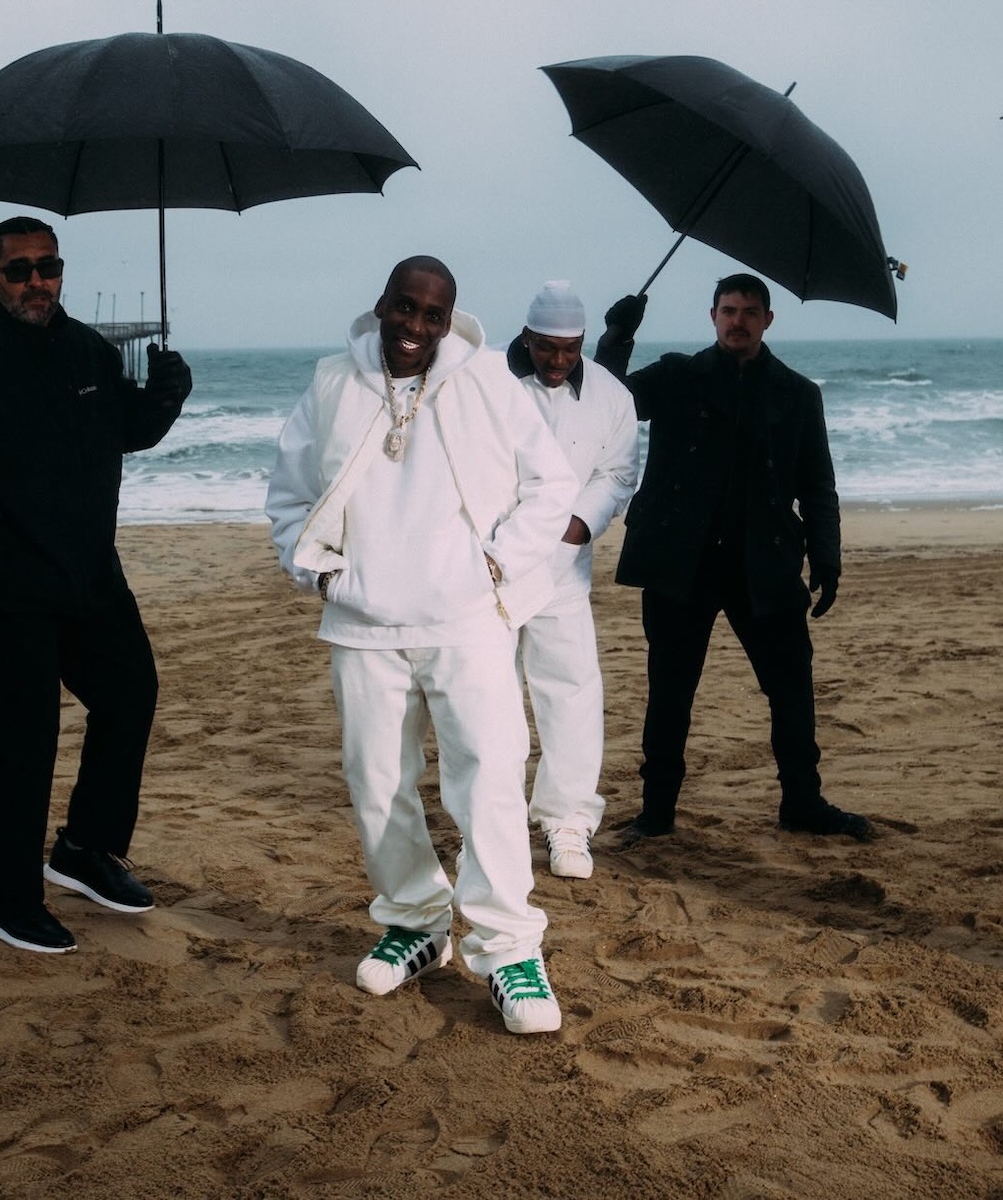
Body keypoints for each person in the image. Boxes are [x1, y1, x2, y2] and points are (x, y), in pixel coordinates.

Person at [266, 256, 578, 1035]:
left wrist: (497, 561)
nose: (415, 327)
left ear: (449, 320)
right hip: (363, 622)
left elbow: (552, 484)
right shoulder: (333, 382)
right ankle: (416, 919)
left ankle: (508, 947)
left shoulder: (485, 383)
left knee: (490, 780)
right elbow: (289, 490)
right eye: (404, 308)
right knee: (376, 780)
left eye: (432, 315)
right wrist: (320, 576)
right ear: (381, 305)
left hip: (467, 620)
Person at [0, 215, 193, 954]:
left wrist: (164, 398)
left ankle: (85, 849)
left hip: (88, 580)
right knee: (24, 743)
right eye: (18, 269)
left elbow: (120, 429)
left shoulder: (87, 349)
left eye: (47, 267)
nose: (35, 282)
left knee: (130, 692)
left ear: (61, 271)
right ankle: (9, 900)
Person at [595, 274, 871, 842]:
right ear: (712, 315)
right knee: (670, 689)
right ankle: (657, 812)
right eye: (728, 310)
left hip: (762, 563)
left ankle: (802, 801)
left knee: (791, 685)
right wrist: (616, 335)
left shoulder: (797, 394)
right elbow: (603, 403)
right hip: (681, 561)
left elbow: (817, 484)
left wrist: (827, 558)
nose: (737, 321)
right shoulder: (677, 377)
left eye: (749, 311)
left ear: (768, 320)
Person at [506, 281, 638, 879]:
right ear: (527, 336)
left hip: (563, 569)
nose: (559, 361)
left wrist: (581, 524)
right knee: (493, 699)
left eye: (572, 349)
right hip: (494, 566)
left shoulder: (610, 393)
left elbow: (617, 472)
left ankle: (568, 823)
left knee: (571, 692)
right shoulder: (487, 384)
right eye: (547, 349)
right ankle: (497, 821)